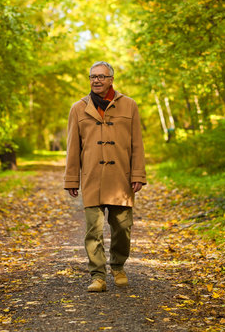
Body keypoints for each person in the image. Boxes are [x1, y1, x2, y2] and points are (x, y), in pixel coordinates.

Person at [64, 61, 147, 292]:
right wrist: (72, 179)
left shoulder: (129, 106)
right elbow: (73, 148)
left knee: (122, 228)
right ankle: (98, 276)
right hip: (92, 178)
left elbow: (137, 144)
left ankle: (118, 266)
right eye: (93, 76)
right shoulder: (78, 108)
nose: (96, 80)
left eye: (101, 76)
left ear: (111, 79)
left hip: (121, 178)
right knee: (93, 230)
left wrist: (138, 173)